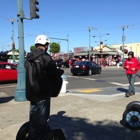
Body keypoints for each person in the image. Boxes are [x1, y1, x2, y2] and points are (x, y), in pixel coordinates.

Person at [24, 35, 63, 140]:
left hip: (31, 92)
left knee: (33, 117)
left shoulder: (28, 57)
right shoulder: (46, 57)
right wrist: (60, 71)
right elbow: (53, 73)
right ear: (46, 45)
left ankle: (32, 135)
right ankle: (42, 136)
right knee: (42, 119)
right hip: (42, 92)